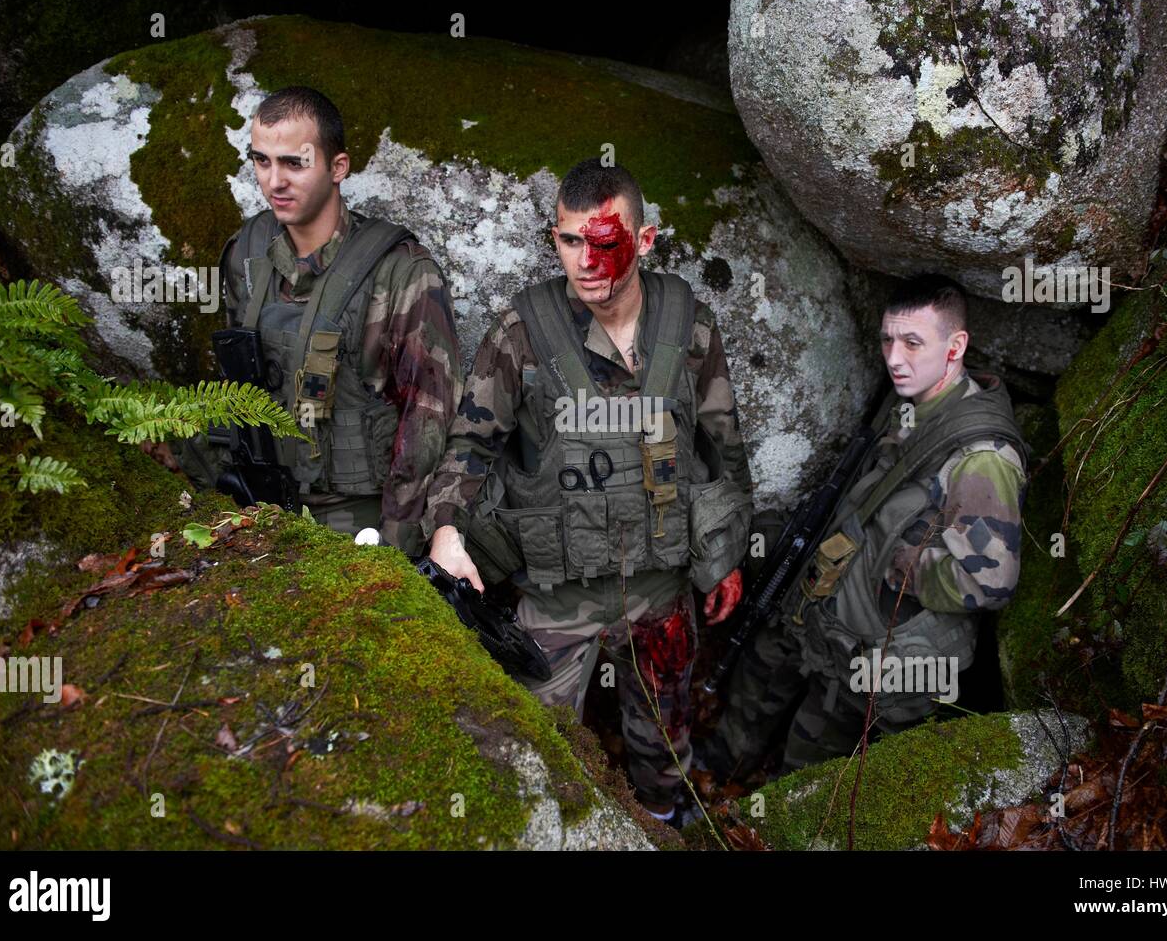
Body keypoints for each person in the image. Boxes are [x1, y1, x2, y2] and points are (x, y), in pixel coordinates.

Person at [422, 159, 753, 821]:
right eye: (571, 240)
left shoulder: (689, 327)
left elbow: (723, 447)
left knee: (665, 740)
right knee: (531, 747)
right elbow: (470, 440)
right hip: (558, 591)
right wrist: (447, 530)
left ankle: (662, 819)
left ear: (647, 240)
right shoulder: (524, 331)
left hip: (661, 585)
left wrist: (726, 555)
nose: (586, 259)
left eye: (606, 240)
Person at [700, 277, 1028, 781]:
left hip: (876, 648)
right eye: (887, 340)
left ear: (955, 346)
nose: (894, 357)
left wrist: (900, 567)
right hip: (825, 607)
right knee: (756, 685)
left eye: (913, 343)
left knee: (807, 767)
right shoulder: (911, 407)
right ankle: (710, 782)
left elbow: (989, 581)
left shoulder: (981, 459)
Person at [169, 86, 462, 554]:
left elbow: (427, 422)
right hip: (254, 500)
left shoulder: (401, 271)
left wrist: (396, 546)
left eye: (294, 163)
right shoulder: (247, 251)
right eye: (262, 161)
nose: (274, 182)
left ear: (337, 167)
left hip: (354, 516)